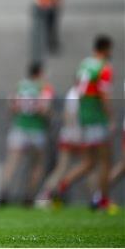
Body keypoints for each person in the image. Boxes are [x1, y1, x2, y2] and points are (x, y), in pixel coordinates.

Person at [52, 35, 114, 210]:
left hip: (84, 117)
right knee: (105, 161)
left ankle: (61, 185)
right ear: (106, 48)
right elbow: (104, 94)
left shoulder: (84, 64)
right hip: (96, 117)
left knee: (89, 163)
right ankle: (102, 201)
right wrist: (110, 117)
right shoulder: (104, 68)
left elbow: (79, 90)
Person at [0, 62, 54, 206]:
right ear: (40, 72)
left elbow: (12, 104)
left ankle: (3, 192)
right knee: (37, 164)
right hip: (36, 129)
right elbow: (44, 108)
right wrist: (49, 117)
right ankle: (29, 196)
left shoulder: (21, 85)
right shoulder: (44, 87)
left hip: (20, 127)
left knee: (12, 162)